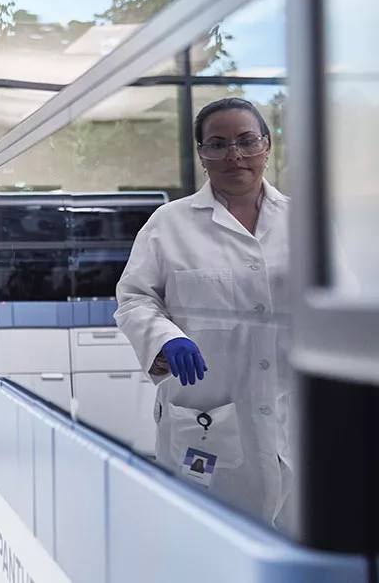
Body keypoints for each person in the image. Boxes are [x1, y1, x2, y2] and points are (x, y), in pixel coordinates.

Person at [115, 97, 293, 526]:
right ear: (202, 155)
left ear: (267, 146)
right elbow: (136, 298)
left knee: (298, 544)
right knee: (209, 541)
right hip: (209, 419)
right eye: (218, 144)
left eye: (247, 141)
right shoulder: (169, 223)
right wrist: (166, 337)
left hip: (293, 416)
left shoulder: (304, 220)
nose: (235, 155)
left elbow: (342, 301)